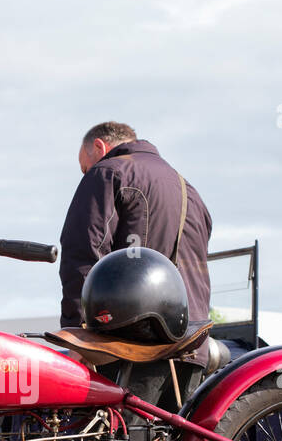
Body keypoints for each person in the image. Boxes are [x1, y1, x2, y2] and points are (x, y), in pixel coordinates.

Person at [59, 121, 212, 330]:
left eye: (85, 169)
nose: (86, 175)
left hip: (131, 344)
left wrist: (77, 331)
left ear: (99, 147)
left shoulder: (106, 173)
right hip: (191, 342)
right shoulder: (191, 192)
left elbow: (82, 255)